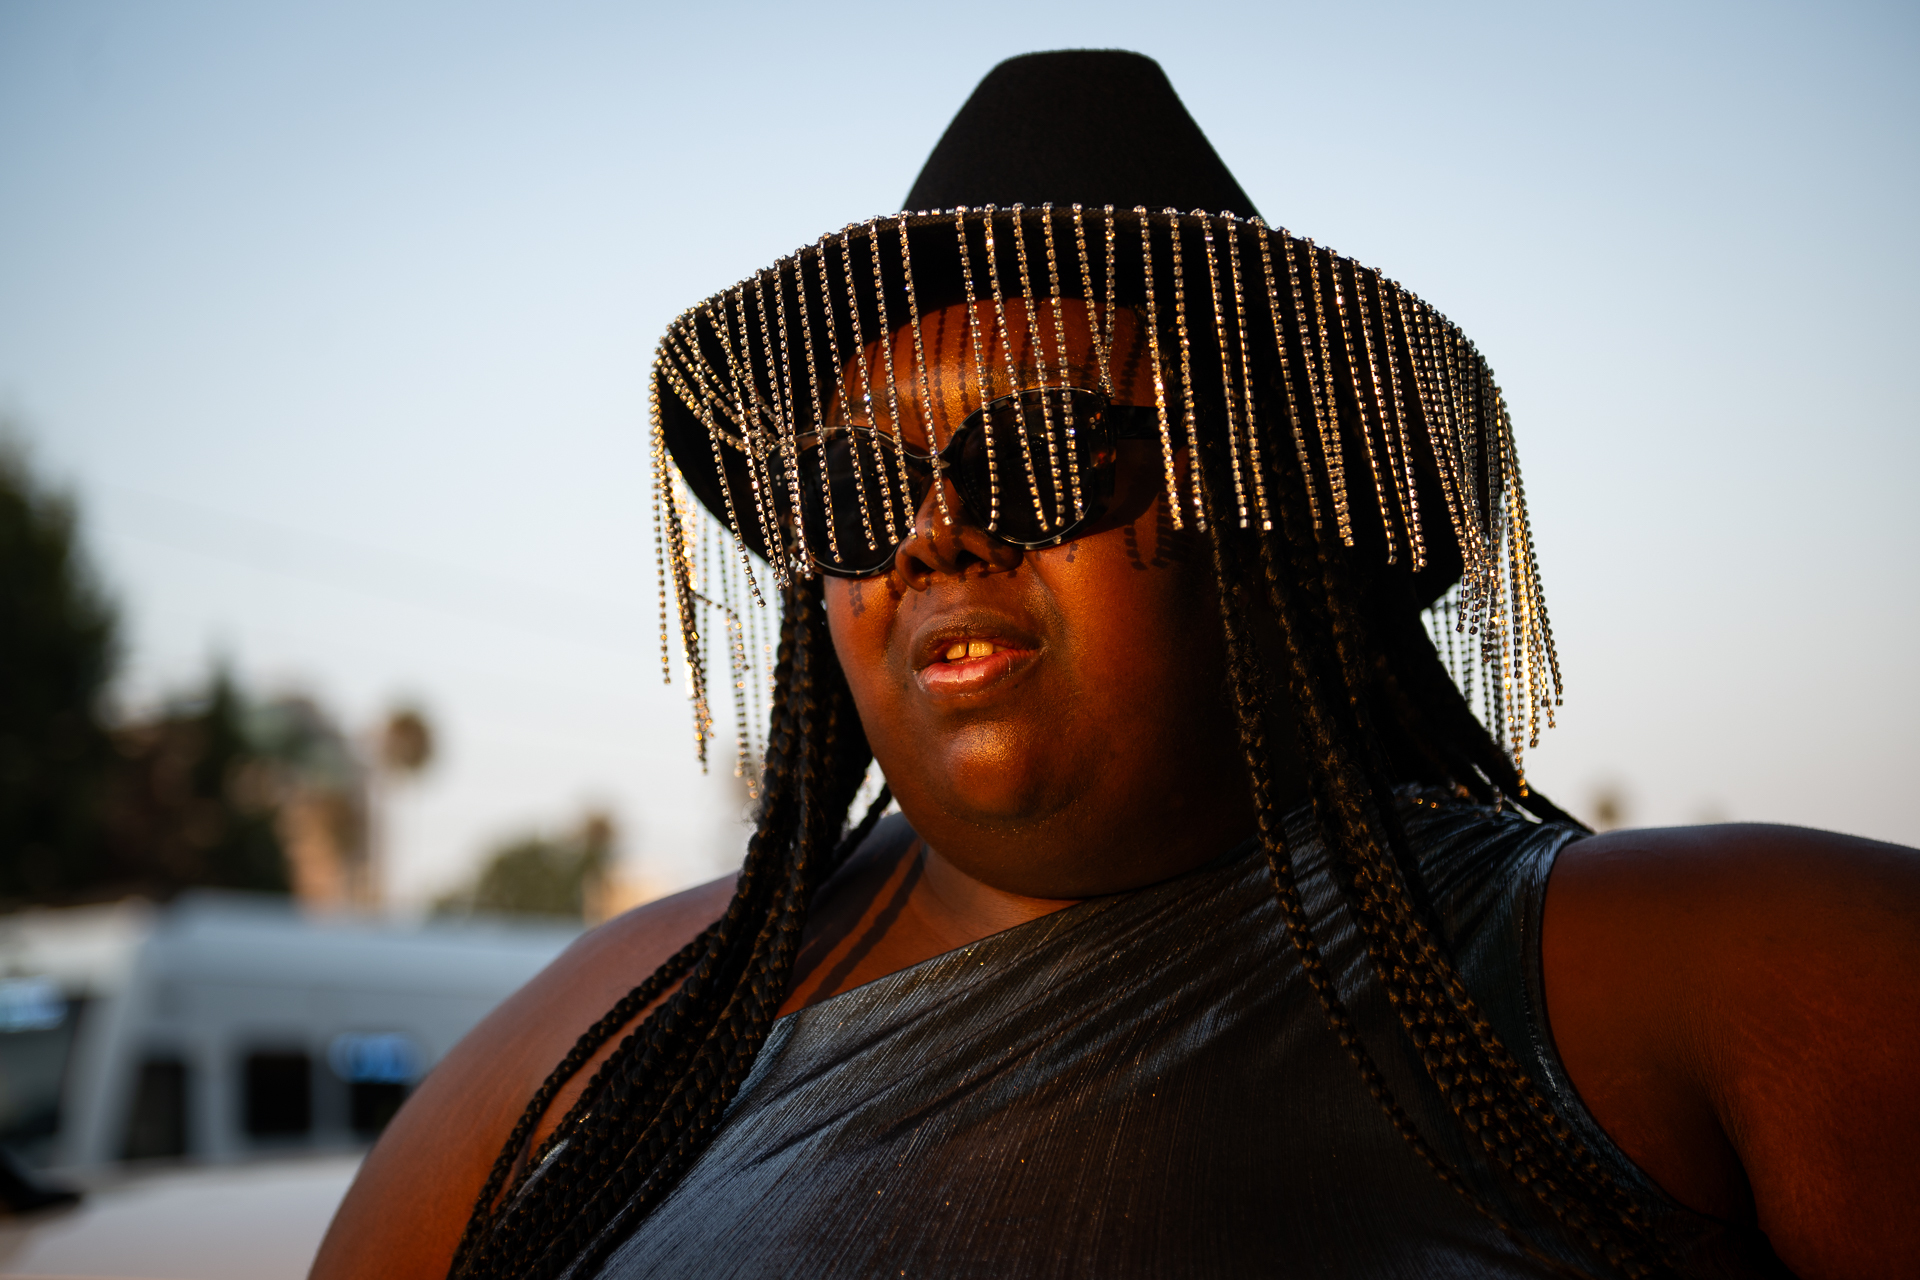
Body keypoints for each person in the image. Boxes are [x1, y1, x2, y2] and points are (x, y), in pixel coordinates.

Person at [312, 51, 1919, 1280]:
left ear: (1281, 510)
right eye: (857, 490)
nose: (933, 535)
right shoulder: (589, 1056)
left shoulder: (1711, 983)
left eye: (1043, 451)